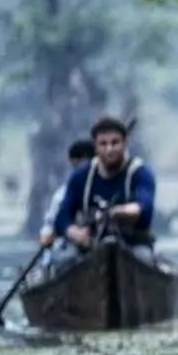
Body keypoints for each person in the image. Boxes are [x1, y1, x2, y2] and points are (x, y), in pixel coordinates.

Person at [51, 116, 157, 267]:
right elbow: (62, 217)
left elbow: (144, 205)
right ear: (96, 146)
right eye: (103, 144)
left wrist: (120, 213)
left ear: (125, 143)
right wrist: (75, 233)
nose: (109, 149)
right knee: (62, 261)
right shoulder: (81, 176)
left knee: (144, 260)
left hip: (133, 244)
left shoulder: (141, 173)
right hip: (89, 246)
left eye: (115, 143)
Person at [39, 139, 96, 274]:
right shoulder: (62, 195)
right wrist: (48, 236)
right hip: (69, 248)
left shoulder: (105, 188)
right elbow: (48, 229)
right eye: (78, 165)